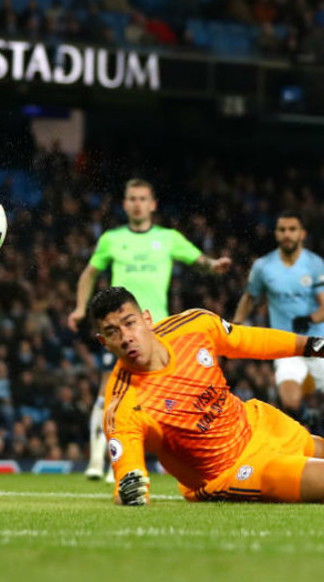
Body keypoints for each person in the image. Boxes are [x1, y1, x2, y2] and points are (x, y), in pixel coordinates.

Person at [90, 286, 324, 505]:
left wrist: (317, 346)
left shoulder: (193, 326)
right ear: (103, 342)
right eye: (113, 332)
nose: (126, 337)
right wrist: (130, 490)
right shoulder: (123, 404)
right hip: (227, 472)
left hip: (255, 424)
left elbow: (250, 340)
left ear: (147, 319)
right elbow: (127, 478)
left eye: (130, 323)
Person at [66, 179, 233, 481]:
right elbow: (89, 274)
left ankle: (150, 457)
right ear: (125, 204)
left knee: (162, 396)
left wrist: (213, 265)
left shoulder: (168, 238)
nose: (137, 204)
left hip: (159, 330)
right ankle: (97, 460)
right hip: (122, 330)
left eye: (143, 198)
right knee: (109, 391)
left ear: (153, 204)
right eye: (132, 198)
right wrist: (80, 308)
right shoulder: (112, 239)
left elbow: (198, 259)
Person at [233, 211, 324, 470]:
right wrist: (234, 324)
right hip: (287, 345)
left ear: (302, 234)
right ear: (276, 234)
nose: (287, 234)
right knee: (290, 400)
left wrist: (310, 318)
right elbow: (250, 297)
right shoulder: (263, 267)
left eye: (292, 229)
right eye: (282, 229)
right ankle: (313, 423)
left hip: (319, 344)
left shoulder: (314, 264)